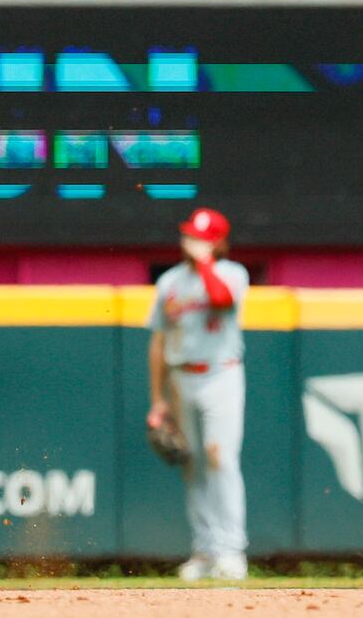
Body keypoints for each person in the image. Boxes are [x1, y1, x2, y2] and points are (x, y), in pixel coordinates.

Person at [146, 207, 250, 582]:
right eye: (189, 234)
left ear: (218, 242)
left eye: (202, 237)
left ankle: (231, 551)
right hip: (181, 377)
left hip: (222, 374)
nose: (191, 241)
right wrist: (157, 399)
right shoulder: (170, 281)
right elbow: (159, 341)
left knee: (220, 457)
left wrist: (206, 262)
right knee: (192, 464)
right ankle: (205, 550)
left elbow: (221, 299)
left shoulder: (232, 273)